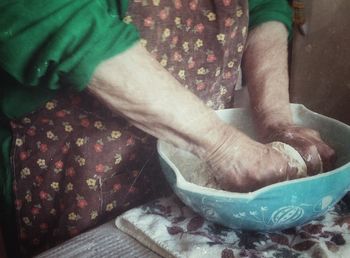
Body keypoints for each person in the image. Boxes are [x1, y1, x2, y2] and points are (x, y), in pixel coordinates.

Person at [0, 0, 336, 256]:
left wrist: (277, 122)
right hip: (77, 171)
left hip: (200, 164)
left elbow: (265, 7)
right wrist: (224, 147)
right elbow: (53, 18)